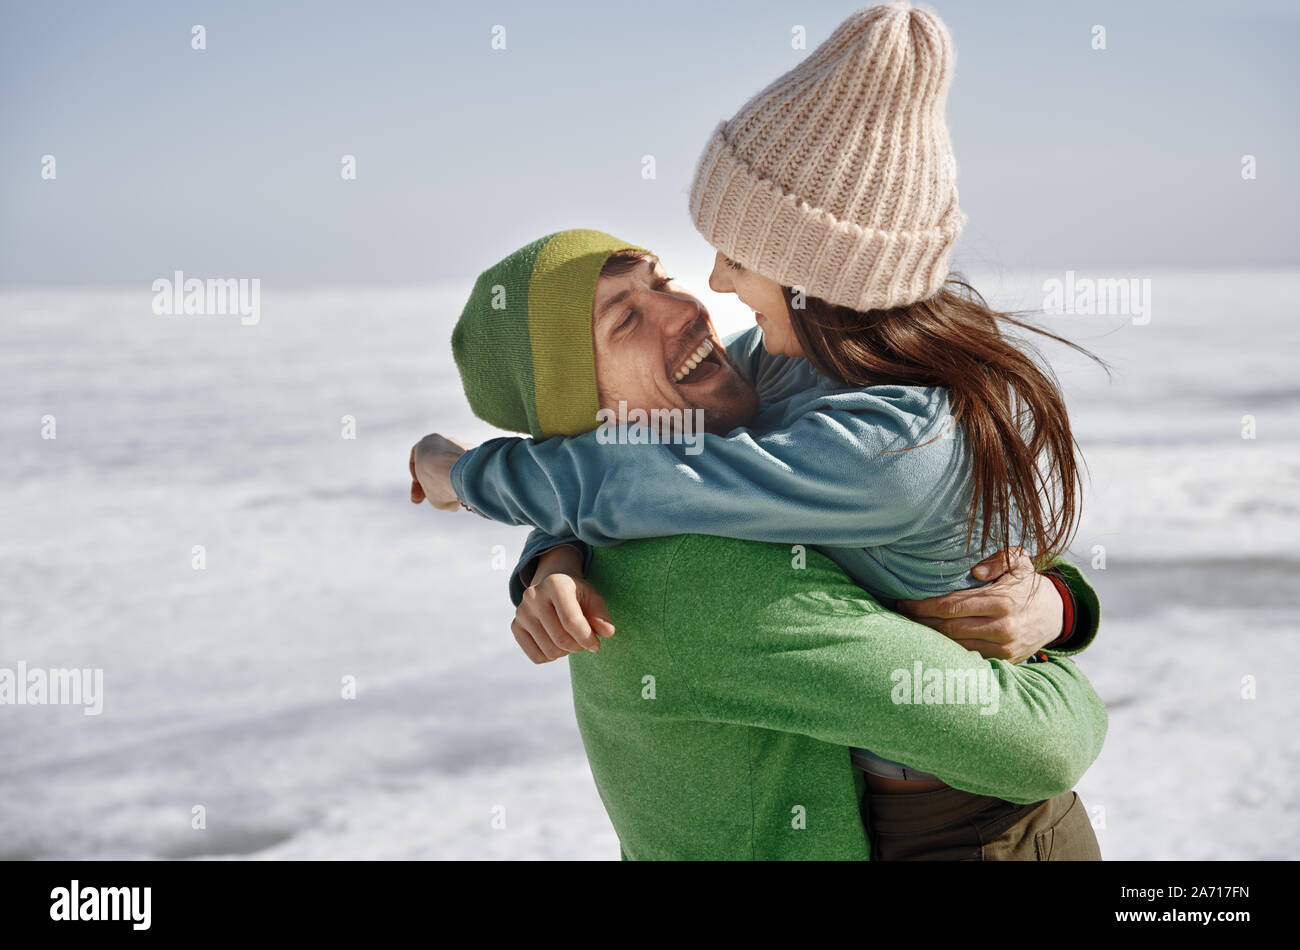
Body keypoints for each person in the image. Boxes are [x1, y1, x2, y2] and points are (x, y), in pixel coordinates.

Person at [410, 227, 1105, 859]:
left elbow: (612, 479)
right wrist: (509, 509)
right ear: (590, 417)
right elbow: (1041, 747)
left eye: (657, 279)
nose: (687, 305)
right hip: (978, 829)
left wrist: (1059, 603)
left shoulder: (767, 395)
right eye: (626, 319)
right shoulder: (697, 574)